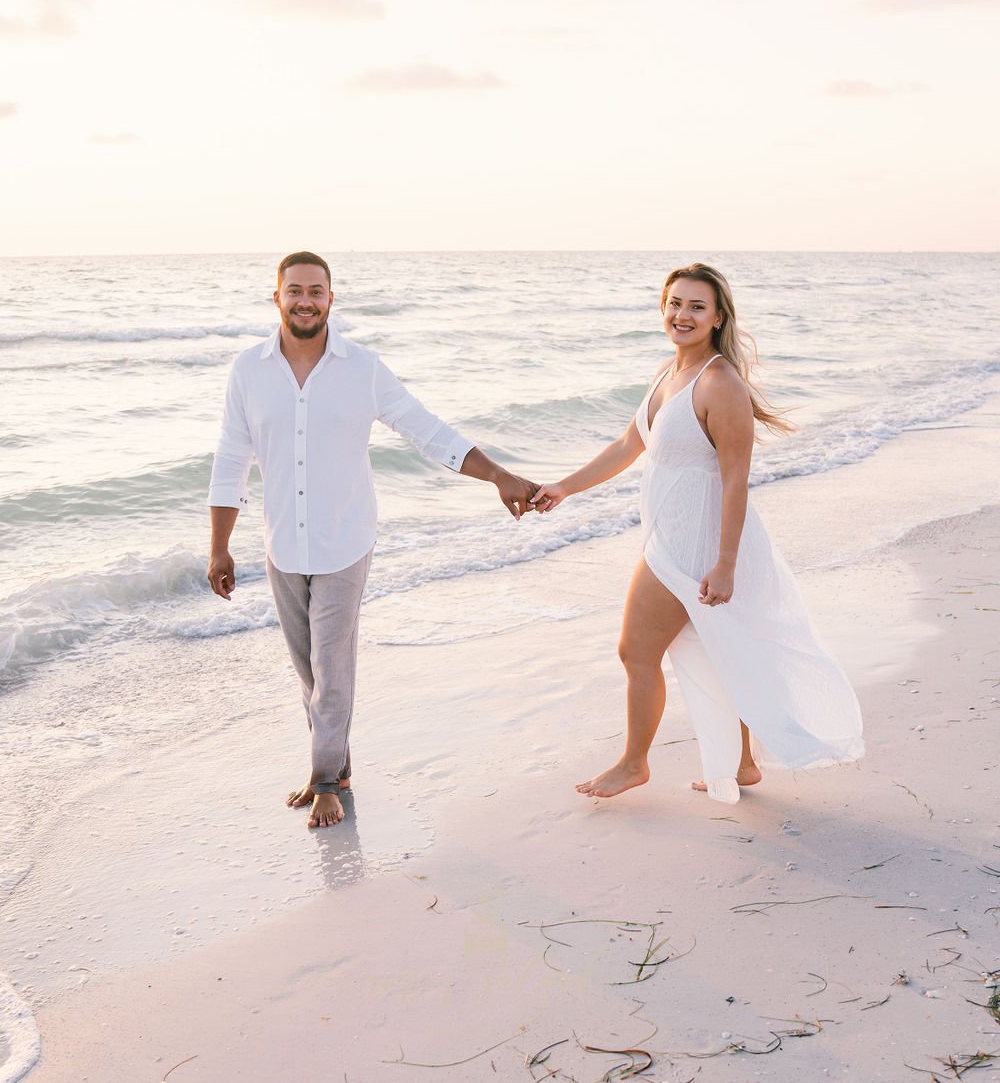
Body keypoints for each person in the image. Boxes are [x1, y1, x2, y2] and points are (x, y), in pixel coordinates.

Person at [207, 251, 538, 829]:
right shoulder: (248, 370)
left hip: (345, 539)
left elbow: (425, 430)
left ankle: (326, 781)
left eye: (316, 290)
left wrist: (500, 476)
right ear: (276, 297)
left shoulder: (362, 367)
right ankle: (338, 762)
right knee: (308, 670)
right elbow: (231, 458)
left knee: (332, 667)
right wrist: (219, 544)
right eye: (294, 291)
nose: (305, 300)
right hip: (282, 542)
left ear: (331, 299)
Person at [531, 262, 863, 805]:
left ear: (717, 317)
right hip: (670, 534)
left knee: (636, 652)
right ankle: (744, 764)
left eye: (696, 306)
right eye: (675, 303)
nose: (681, 315)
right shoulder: (668, 372)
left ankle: (634, 763)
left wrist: (726, 563)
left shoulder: (720, 384)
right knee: (722, 652)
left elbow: (736, 482)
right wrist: (564, 488)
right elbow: (626, 446)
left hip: (700, 545)